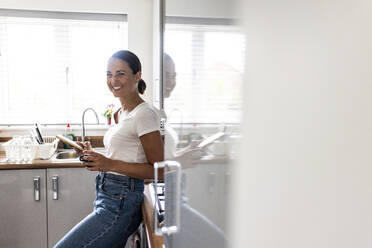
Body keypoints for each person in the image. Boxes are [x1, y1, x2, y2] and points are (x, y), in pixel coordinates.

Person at [54, 50, 164, 248]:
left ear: (137, 76)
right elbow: (124, 154)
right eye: (109, 74)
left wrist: (109, 163)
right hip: (108, 195)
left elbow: (160, 170)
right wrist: (98, 156)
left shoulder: (145, 114)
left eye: (121, 73)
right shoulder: (119, 113)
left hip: (121, 203)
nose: (114, 80)